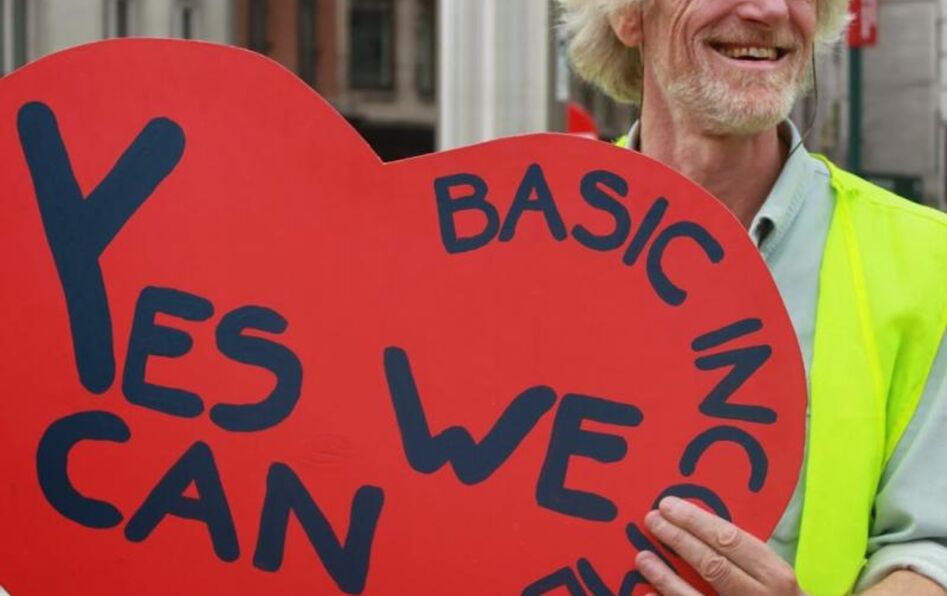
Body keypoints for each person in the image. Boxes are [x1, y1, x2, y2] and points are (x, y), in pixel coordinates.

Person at [556, 0, 947, 594]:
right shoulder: (532, 236)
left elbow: (929, 553)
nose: (769, 10)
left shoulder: (928, 264)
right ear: (628, 15)